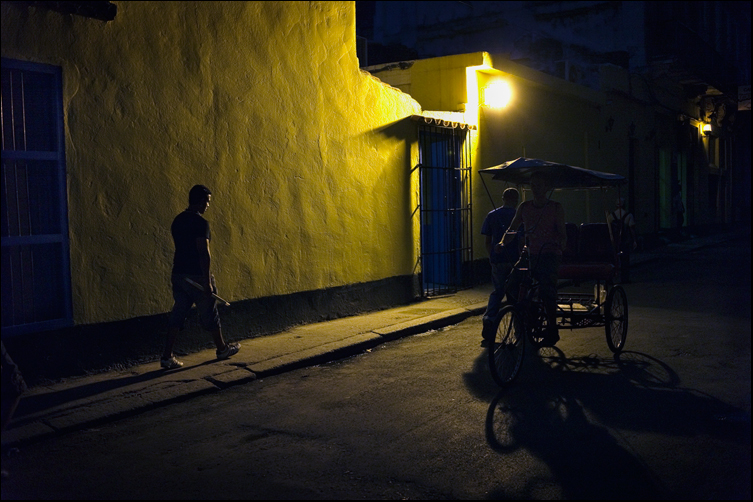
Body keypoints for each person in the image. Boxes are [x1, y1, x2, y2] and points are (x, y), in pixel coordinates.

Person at [161, 184, 240, 369]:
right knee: (209, 311)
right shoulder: (200, 223)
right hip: (196, 276)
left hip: (179, 275)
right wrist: (207, 282)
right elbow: (203, 253)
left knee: (178, 314)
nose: (208, 206)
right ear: (201, 200)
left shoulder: (178, 220)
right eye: (208, 201)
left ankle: (166, 356)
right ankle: (222, 349)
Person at [503, 171, 566, 347]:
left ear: (546, 187)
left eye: (539, 185)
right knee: (511, 284)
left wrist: (561, 242)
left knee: (547, 290)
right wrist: (502, 242)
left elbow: (562, 233)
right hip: (529, 254)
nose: (535, 189)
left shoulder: (555, 207)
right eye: (532, 185)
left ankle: (552, 329)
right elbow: (512, 228)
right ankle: (524, 316)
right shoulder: (524, 207)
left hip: (549, 254)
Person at [480, 188, 521, 345]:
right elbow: (521, 241)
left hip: (498, 259)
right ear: (516, 199)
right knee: (515, 296)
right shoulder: (518, 216)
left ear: (503, 198)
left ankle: (490, 318)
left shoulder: (492, 215)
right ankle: (518, 329)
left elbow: (487, 241)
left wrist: (492, 257)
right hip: (514, 260)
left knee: (497, 291)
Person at [608, 197, 637, 283]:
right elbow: (632, 229)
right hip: (625, 241)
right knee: (625, 261)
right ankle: (625, 278)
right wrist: (634, 240)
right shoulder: (628, 216)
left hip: (614, 241)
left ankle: (610, 278)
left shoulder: (610, 216)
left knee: (613, 260)